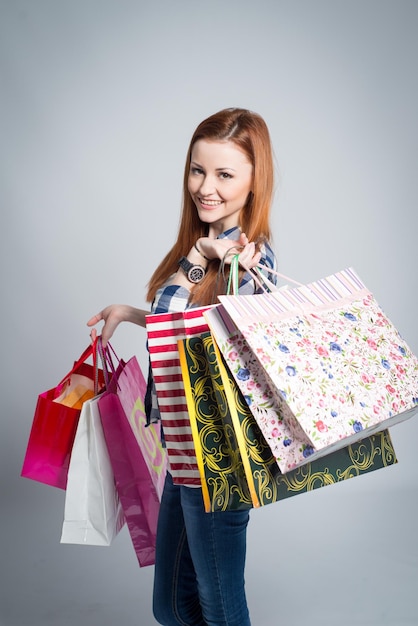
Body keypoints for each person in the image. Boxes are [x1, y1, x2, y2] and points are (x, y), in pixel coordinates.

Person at [88, 107, 277, 626]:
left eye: (225, 174)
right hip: (183, 451)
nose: (206, 187)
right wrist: (128, 314)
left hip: (217, 455)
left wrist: (203, 253)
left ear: (254, 183)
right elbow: (183, 333)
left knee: (219, 605)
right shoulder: (209, 246)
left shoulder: (249, 261)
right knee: (171, 606)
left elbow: (222, 345)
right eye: (198, 170)